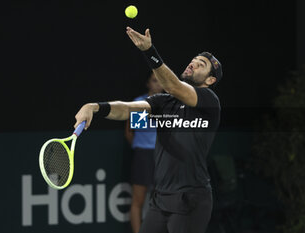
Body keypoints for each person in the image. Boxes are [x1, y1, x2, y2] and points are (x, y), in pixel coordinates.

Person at [74, 26, 222, 233]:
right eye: (194, 60)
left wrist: (149, 51)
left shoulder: (208, 102)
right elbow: (126, 110)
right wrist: (95, 107)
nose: (193, 63)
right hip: (160, 200)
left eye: (201, 64)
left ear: (210, 80)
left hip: (190, 200)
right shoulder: (164, 103)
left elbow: (174, 87)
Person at [124, 73, 163, 233]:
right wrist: (141, 147)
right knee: (138, 200)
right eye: (154, 80)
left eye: (161, 81)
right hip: (143, 156)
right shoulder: (139, 103)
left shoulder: (168, 105)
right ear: (148, 83)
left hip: (162, 157)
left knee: (163, 202)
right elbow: (129, 132)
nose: (158, 85)